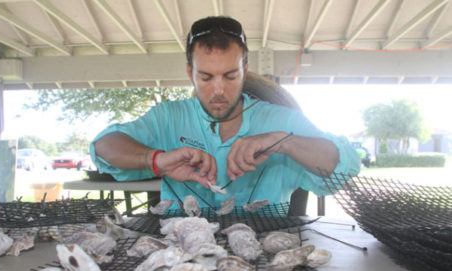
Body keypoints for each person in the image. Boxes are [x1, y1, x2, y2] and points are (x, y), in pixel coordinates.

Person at [90, 16, 361, 211]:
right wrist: (156, 159)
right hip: (182, 261)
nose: (218, 91)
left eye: (230, 76)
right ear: (189, 73)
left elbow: (345, 168)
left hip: (263, 261)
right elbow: (103, 147)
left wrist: (284, 142)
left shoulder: (283, 120)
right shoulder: (167, 118)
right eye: (206, 77)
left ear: (245, 67)